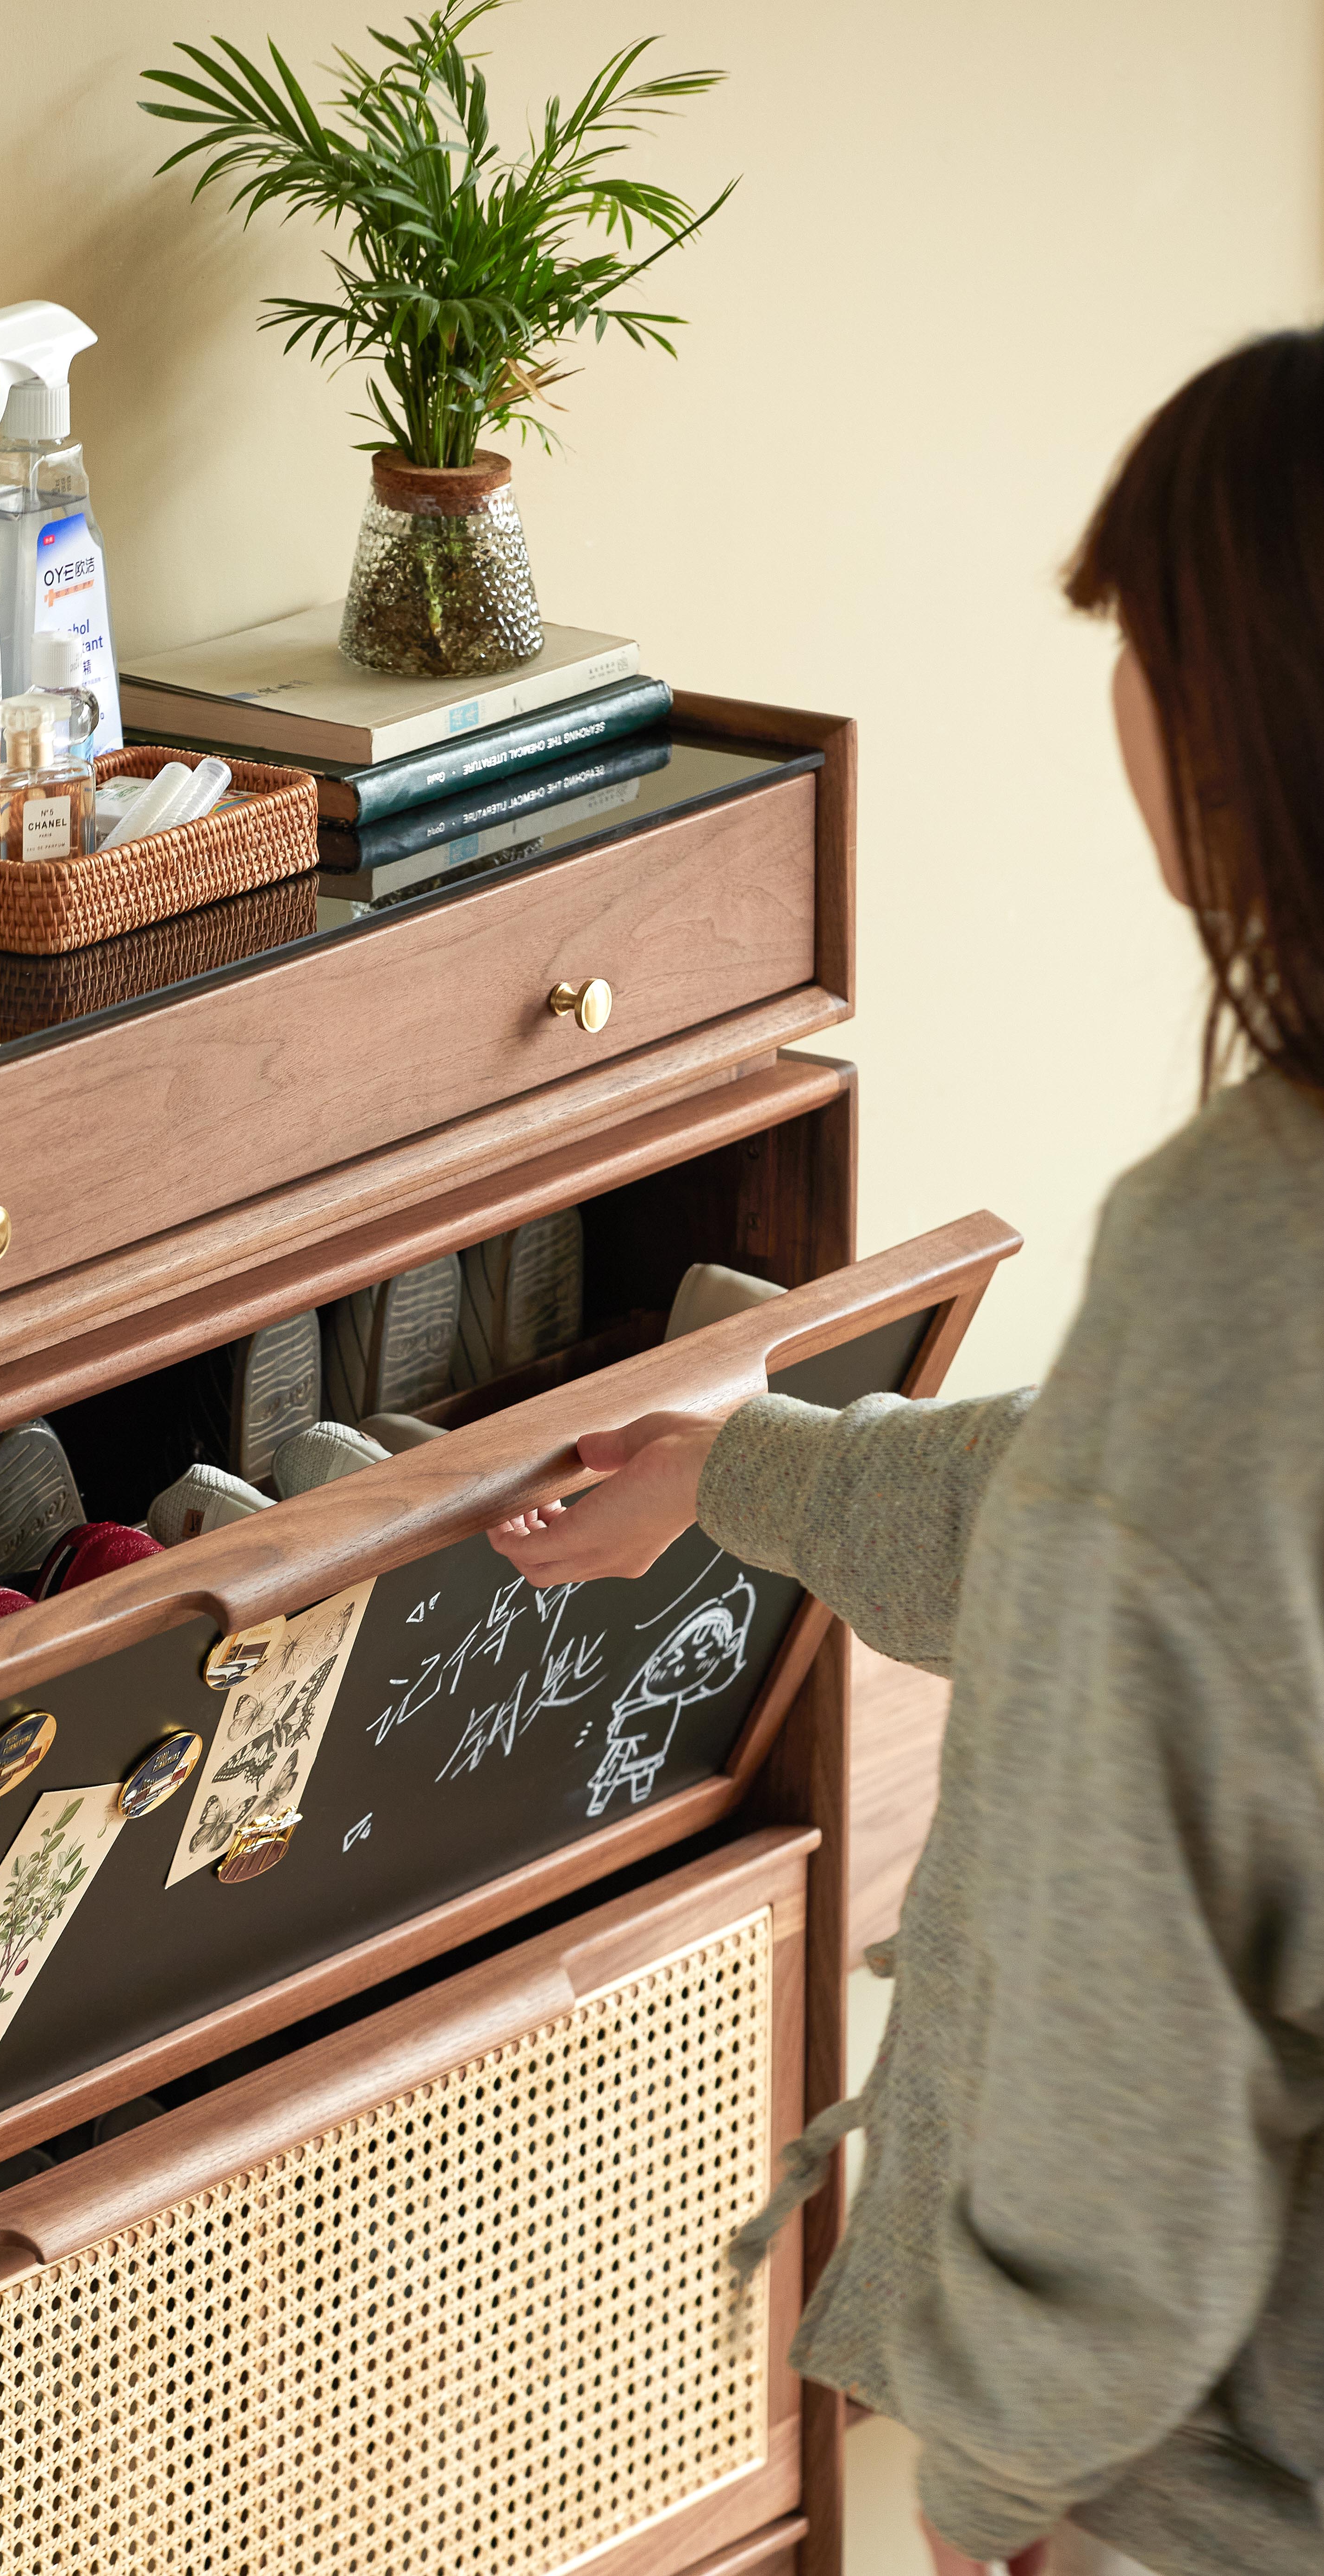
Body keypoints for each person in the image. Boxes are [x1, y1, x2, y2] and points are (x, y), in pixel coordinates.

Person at [490, 330, 1324, 2576]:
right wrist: (752, 1464)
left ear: (1232, 728)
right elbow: (1149, 1552)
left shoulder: (1247, 1258)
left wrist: (1001, 2477)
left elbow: (1117, 2044)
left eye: (1136, 654)